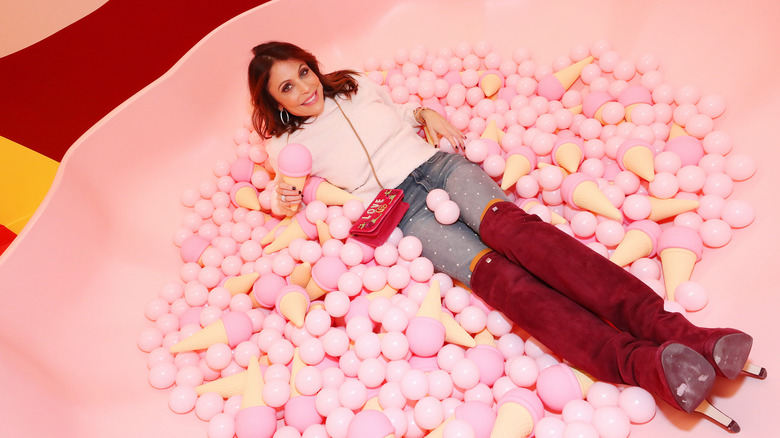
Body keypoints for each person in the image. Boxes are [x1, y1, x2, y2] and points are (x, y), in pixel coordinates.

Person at [247, 41, 763, 431]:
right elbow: (282, 193)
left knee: (525, 236)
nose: (305, 87)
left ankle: (689, 337)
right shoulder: (289, 145)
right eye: (287, 87)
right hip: (402, 215)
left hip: (441, 167)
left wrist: (425, 113)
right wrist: (285, 197)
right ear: (278, 105)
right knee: (502, 283)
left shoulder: (355, 84)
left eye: (303, 72)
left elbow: (401, 114)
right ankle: (646, 366)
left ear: (314, 66)